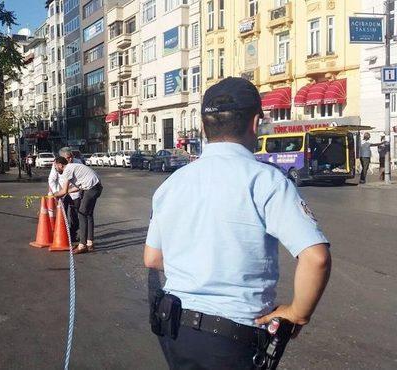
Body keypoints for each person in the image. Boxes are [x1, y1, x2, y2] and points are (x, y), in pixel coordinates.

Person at [144, 77, 332, 369]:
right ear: (256, 122)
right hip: (233, 337)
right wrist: (297, 313)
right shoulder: (266, 180)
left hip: (176, 330)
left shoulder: (172, 183)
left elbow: (153, 258)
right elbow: (316, 258)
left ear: (204, 127)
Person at [52, 157, 103, 254]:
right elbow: (75, 188)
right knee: (88, 215)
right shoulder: (73, 167)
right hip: (96, 187)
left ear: (60, 165)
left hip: (91, 189)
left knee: (81, 213)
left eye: (55, 166)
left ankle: (82, 245)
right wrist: (66, 193)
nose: (55, 169)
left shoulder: (67, 169)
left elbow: (64, 191)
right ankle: (90, 243)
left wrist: (55, 195)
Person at [48, 147, 83, 243]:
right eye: (67, 157)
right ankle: (62, 235)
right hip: (62, 193)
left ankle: (72, 234)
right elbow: (52, 179)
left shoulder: (78, 162)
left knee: (75, 216)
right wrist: (56, 192)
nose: (70, 159)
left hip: (75, 192)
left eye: (71, 156)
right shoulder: (56, 164)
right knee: (62, 215)